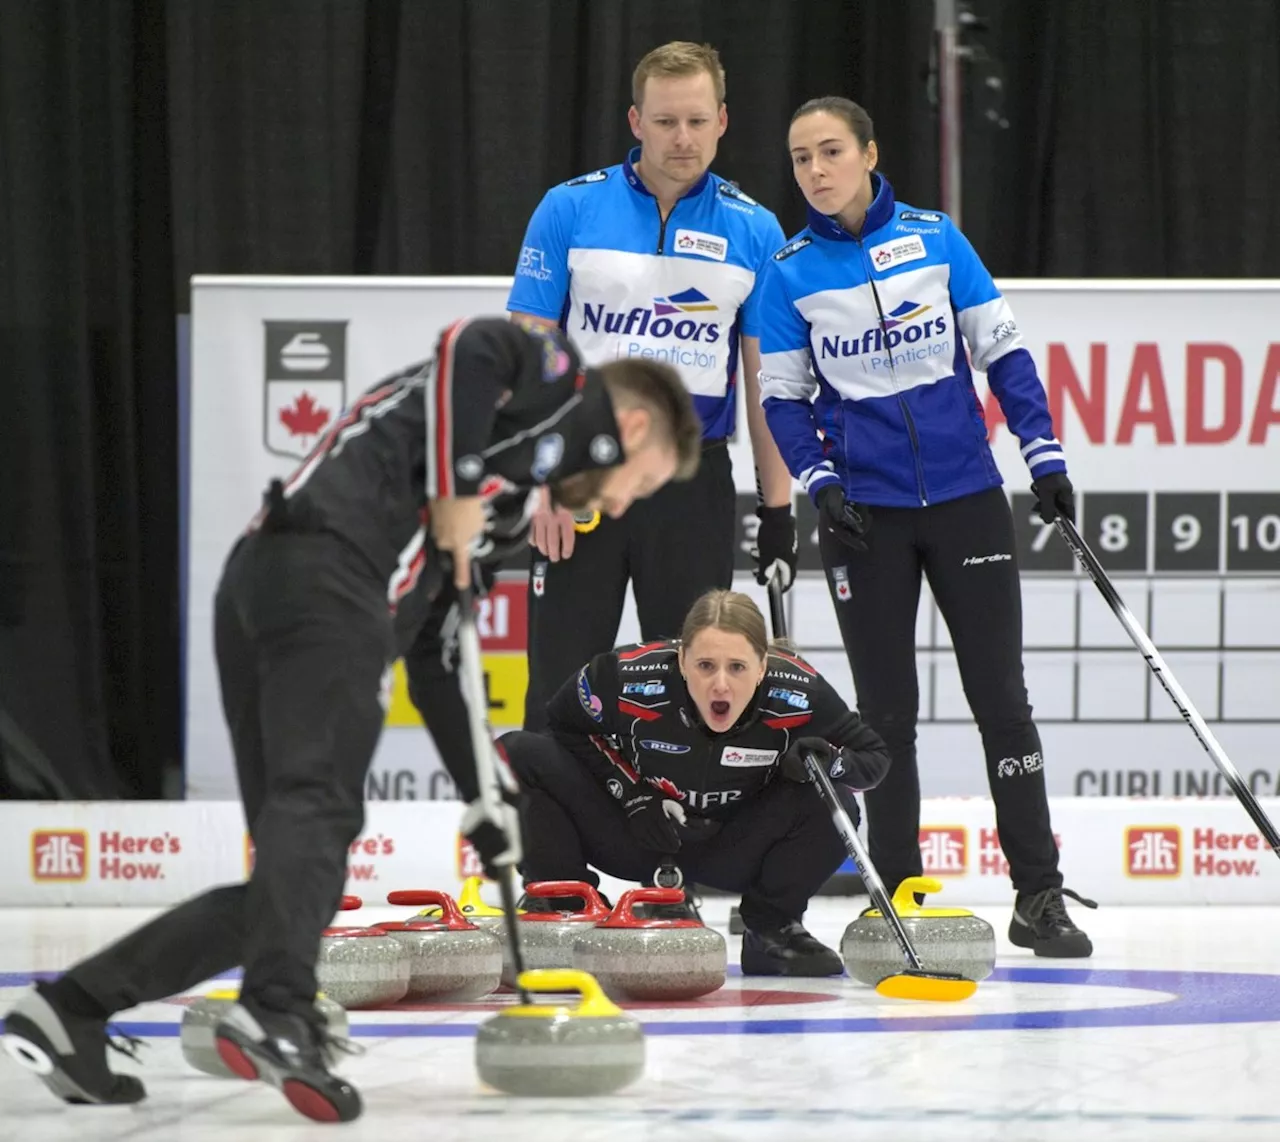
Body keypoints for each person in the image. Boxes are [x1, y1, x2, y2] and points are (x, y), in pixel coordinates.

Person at [1, 318, 702, 1123]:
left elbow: (439, 660)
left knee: (296, 881)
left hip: (269, 587)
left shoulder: (501, 517)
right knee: (322, 811)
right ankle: (276, 1009)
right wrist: (457, 489)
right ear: (633, 429)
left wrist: (488, 794)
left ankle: (73, 1010)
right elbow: (471, 347)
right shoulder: (558, 382)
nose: (619, 505)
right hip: (328, 573)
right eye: (636, 485)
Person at [755, 96, 1097, 958]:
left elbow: (1004, 353)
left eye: (831, 151)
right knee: (885, 716)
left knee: (1002, 702)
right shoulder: (787, 271)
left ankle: (1038, 895)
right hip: (862, 515)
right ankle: (897, 897)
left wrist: (1044, 457)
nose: (816, 170)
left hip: (966, 498)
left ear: (869, 153)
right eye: (800, 158)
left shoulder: (937, 238)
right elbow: (783, 399)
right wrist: (821, 483)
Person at [508, 41, 799, 733]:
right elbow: (527, 353)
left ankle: (677, 842)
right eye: (666, 121)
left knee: (695, 685)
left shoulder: (756, 229)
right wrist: (543, 480)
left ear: (723, 121)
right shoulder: (568, 208)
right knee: (560, 685)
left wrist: (779, 511)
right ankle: (547, 843)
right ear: (636, 121)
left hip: (691, 483)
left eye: (698, 121)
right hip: (582, 475)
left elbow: (769, 384)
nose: (683, 138)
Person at [498, 588, 891, 976]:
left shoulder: (800, 692)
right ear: (682, 660)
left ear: (762, 668)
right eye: (705, 666)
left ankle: (772, 929)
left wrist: (831, 763)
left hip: (733, 845)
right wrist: (631, 793)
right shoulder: (625, 676)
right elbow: (564, 726)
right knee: (514, 754)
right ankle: (568, 905)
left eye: (737, 667)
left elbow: (875, 758)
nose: (720, 684)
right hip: (638, 833)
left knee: (833, 796)